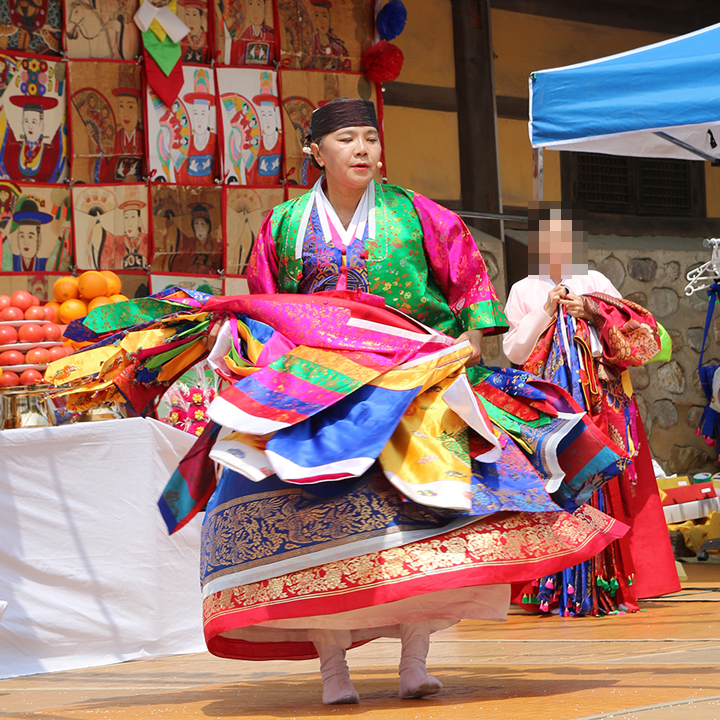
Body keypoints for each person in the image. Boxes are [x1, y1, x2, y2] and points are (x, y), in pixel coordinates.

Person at [186, 98, 629, 705]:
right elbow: (264, 308)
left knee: (421, 521)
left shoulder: (419, 215)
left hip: (412, 381)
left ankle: (414, 661)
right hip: (316, 390)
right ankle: (332, 670)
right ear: (315, 152)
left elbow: (470, 290)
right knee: (313, 523)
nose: (363, 149)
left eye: (370, 137)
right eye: (346, 139)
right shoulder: (283, 224)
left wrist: (462, 355)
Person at [502, 201, 679, 615]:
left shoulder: (596, 280)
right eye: (547, 237)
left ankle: (617, 578)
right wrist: (546, 311)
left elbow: (632, 331)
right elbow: (514, 351)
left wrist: (593, 311)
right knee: (556, 484)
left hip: (602, 399)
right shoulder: (524, 289)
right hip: (551, 405)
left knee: (610, 483)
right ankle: (551, 585)